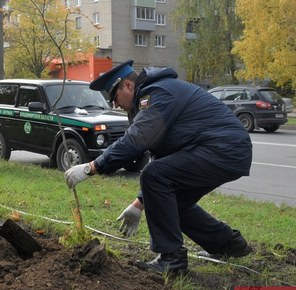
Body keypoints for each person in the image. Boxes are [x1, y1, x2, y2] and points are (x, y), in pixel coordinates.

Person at [64, 60, 252, 274]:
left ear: (127, 85)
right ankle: (229, 245)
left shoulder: (158, 93)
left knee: (153, 175)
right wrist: (140, 202)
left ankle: (171, 258)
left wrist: (92, 167)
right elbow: (160, 155)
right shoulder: (151, 96)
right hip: (225, 149)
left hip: (224, 149)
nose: (115, 105)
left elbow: (137, 140)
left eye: (114, 97)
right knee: (173, 204)